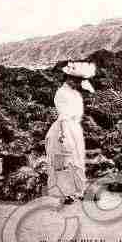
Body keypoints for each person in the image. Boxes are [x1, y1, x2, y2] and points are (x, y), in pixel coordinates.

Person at [45, 61, 96, 204]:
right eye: (77, 80)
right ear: (69, 78)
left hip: (74, 128)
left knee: (77, 160)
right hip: (64, 128)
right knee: (65, 160)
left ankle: (79, 190)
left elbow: (79, 109)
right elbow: (63, 115)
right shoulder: (61, 93)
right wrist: (63, 135)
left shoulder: (74, 93)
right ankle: (66, 193)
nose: (79, 83)